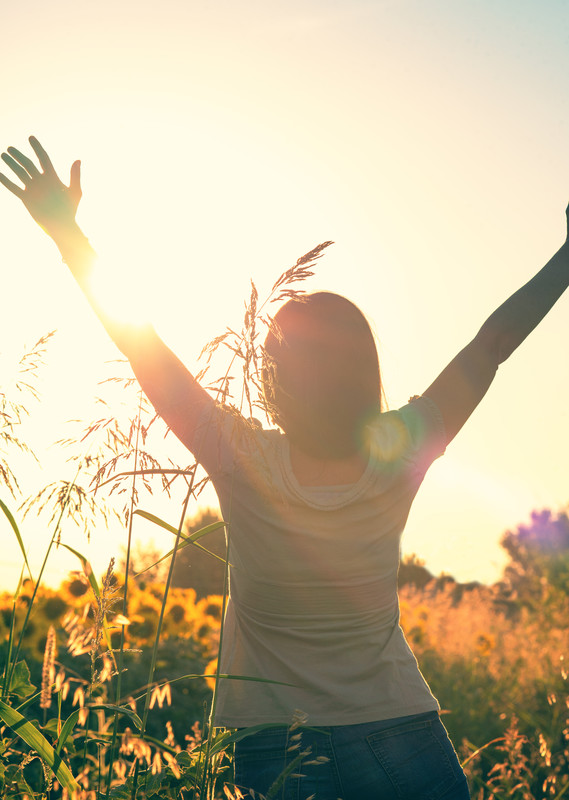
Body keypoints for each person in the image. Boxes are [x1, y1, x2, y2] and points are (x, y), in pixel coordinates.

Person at [1, 137, 568, 800]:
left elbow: (141, 348)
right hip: (398, 736)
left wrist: (69, 236)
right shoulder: (401, 447)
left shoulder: (241, 457)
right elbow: (491, 346)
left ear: (275, 381)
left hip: (273, 747)